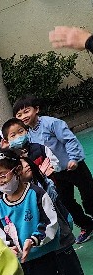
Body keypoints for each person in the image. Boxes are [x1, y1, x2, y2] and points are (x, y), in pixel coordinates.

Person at [12, 95, 93, 242]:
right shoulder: (28, 134)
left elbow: (69, 139)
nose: (23, 116)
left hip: (74, 167)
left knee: (89, 197)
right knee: (66, 202)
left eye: (26, 111)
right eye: (19, 114)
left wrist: (73, 158)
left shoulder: (51, 123)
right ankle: (87, 225)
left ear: (36, 109)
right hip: (56, 173)